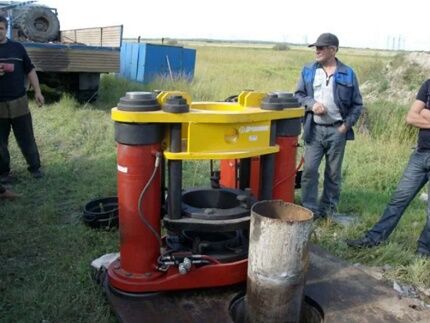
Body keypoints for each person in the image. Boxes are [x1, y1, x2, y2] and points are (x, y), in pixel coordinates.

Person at [346, 79, 430, 258]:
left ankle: (424, 251)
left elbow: (419, 114)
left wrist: (424, 113)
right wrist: (419, 113)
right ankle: (375, 238)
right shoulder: (428, 84)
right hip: (420, 155)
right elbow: (411, 117)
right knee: (398, 200)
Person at [294, 33, 363, 219]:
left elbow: (358, 104)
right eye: (316, 47)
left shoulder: (348, 73)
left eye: (321, 47)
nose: (317, 50)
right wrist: (311, 104)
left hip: (337, 131)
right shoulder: (308, 70)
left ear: (333, 50)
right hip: (314, 129)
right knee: (309, 170)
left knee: (333, 174)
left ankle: (328, 211)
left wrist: (346, 126)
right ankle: (309, 209)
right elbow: (298, 95)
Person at [0, 15, 45, 184]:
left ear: (6, 29)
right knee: (0, 143)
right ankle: (3, 173)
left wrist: (38, 92)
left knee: (26, 137)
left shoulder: (17, 48)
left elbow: (30, 70)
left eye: (1, 28)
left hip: (19, 102)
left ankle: (35, 168)